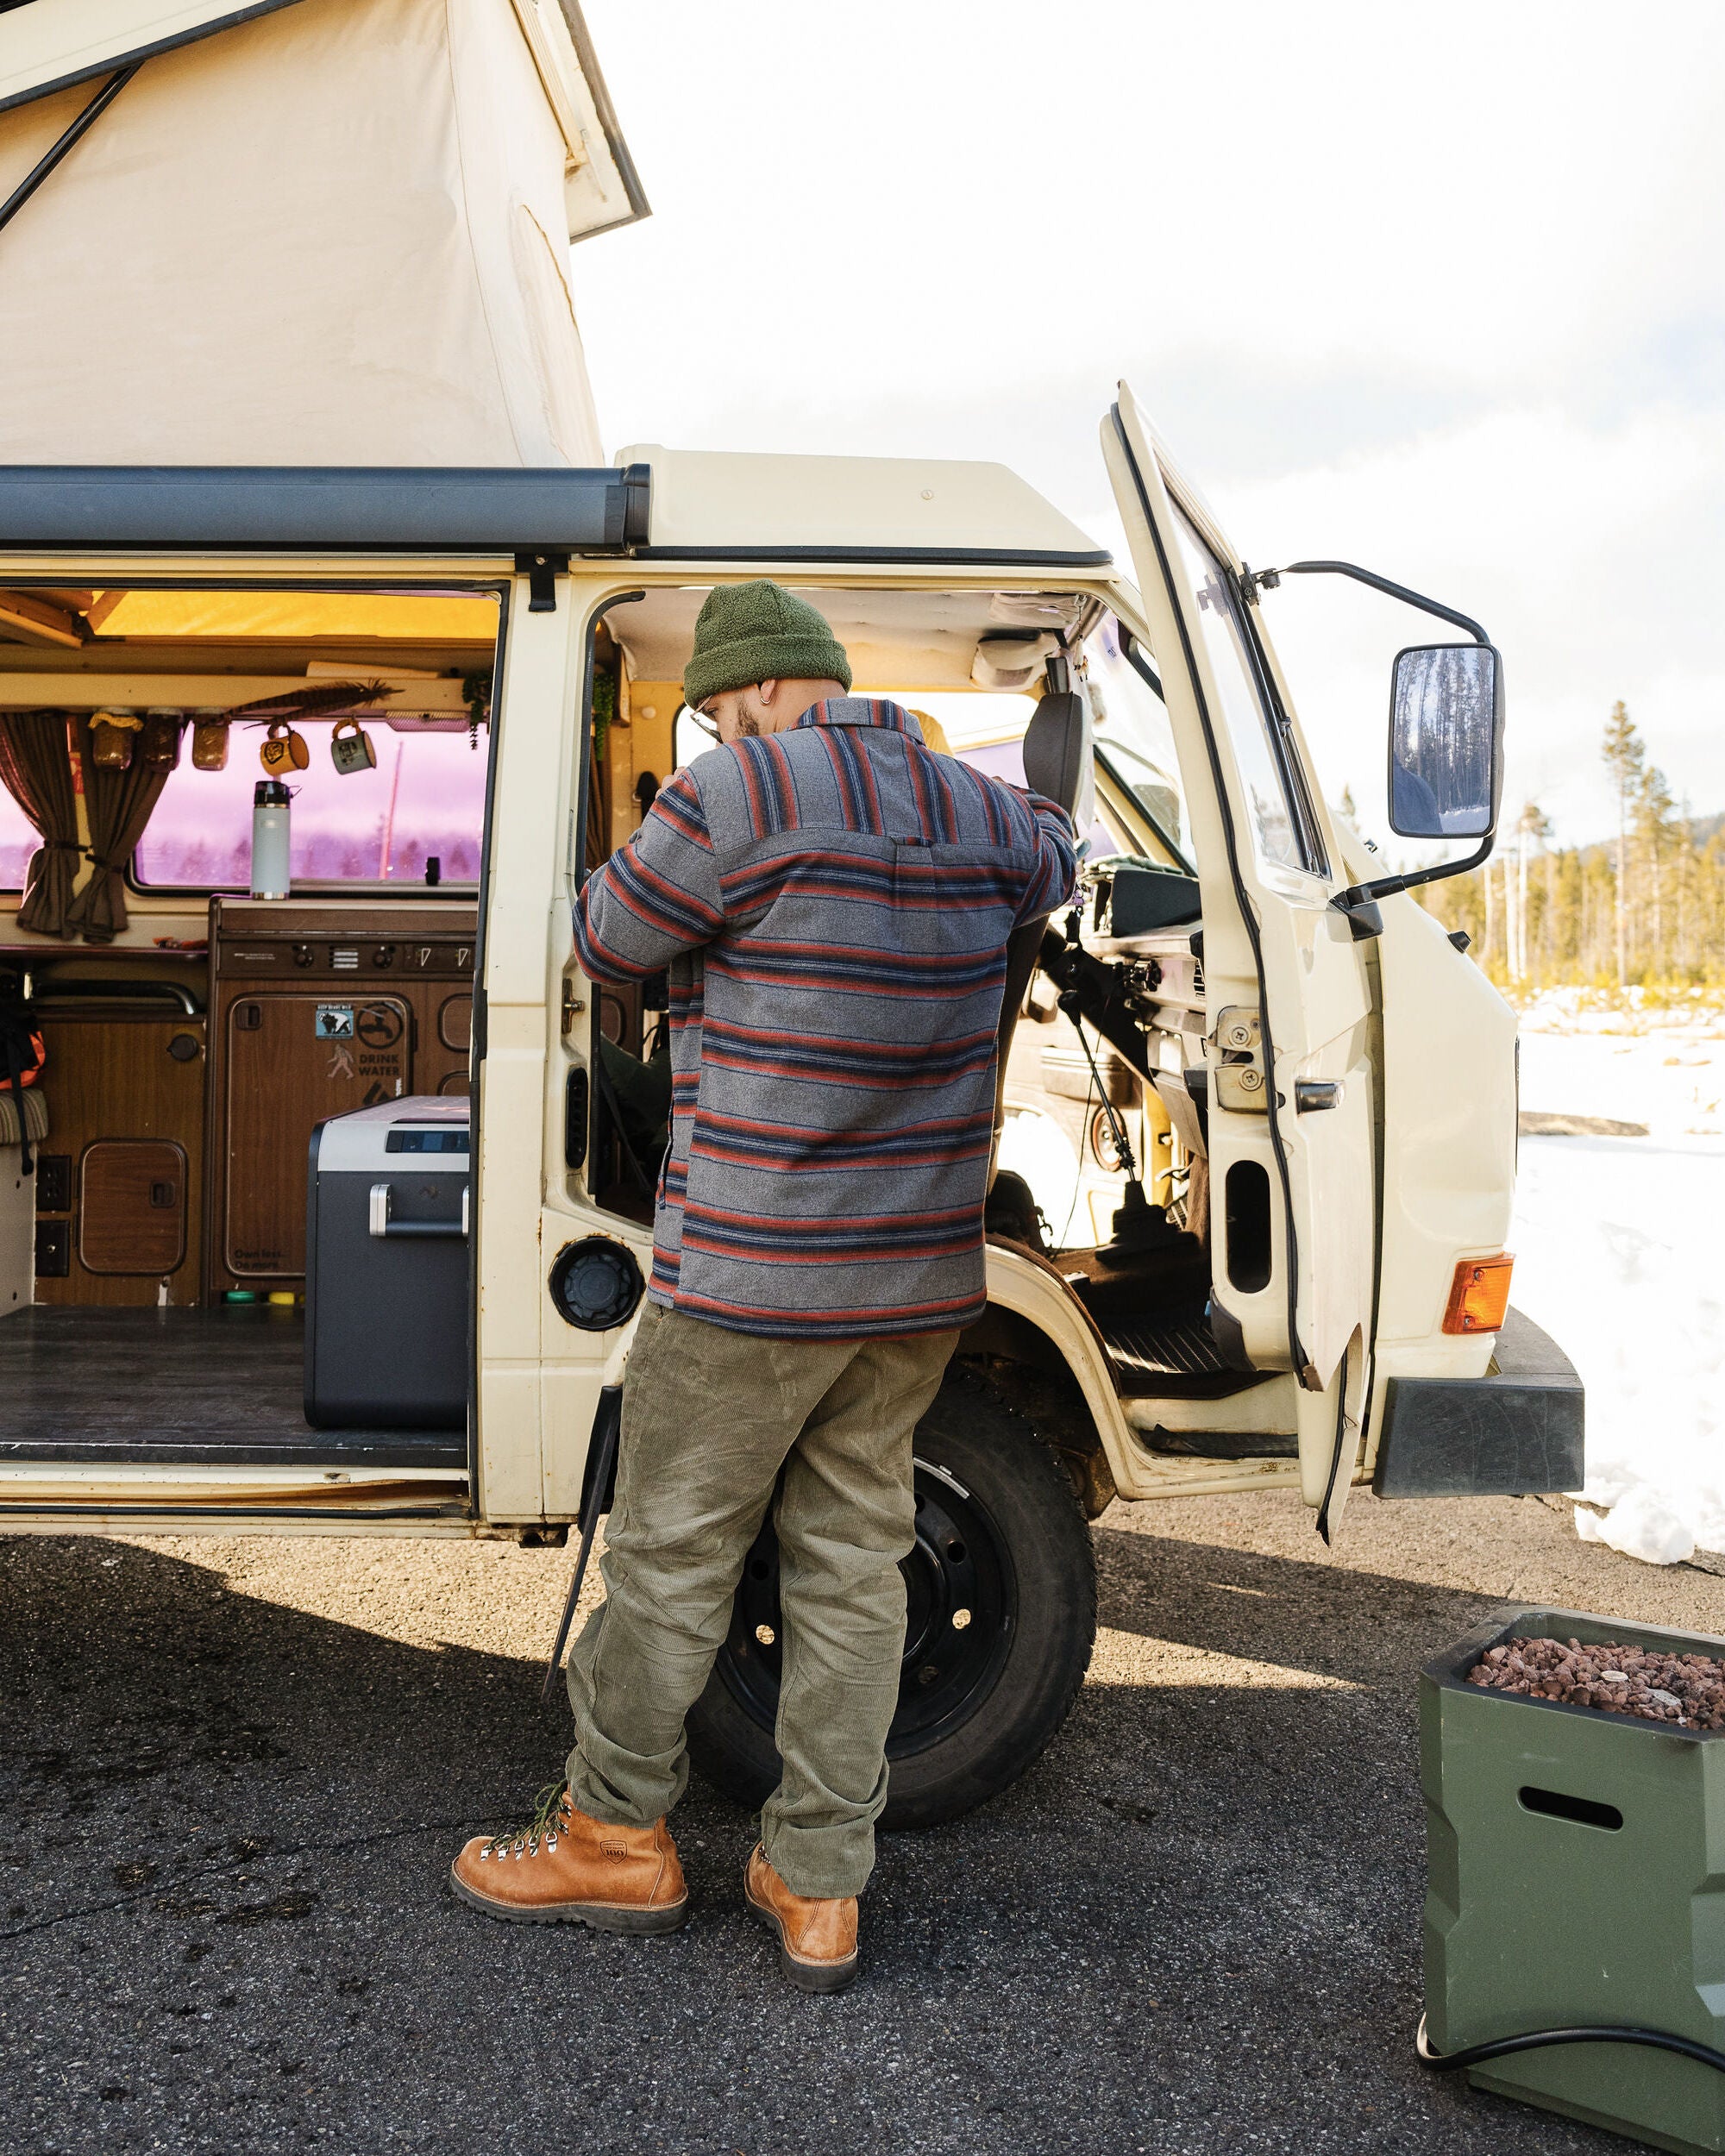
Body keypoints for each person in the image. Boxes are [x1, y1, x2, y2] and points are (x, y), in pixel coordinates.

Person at [450, 581, 1075, 1990]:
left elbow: (606, 940)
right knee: (856, 1566)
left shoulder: (735, 795)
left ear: (746, 693)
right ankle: (818, 1883)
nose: (720, 725)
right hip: (910, 1281)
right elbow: (1056, 858)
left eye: (720, 708)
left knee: (675, 1556)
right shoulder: (982, 810)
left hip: (747, 1275)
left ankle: (613, 1840)